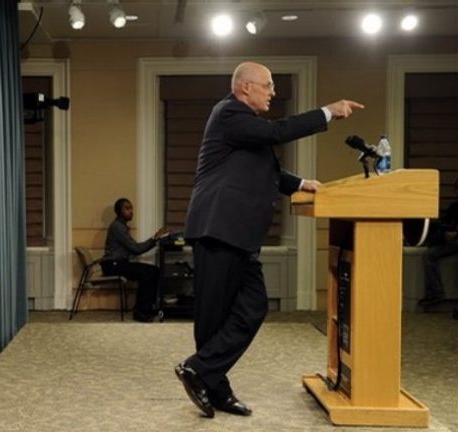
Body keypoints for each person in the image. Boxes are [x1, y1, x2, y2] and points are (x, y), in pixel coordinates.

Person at [174, 61, 364, 418]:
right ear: (245, 87)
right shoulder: (229, 112)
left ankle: (202, 371)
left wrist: (300, 183)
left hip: (237, 234)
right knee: (213, 317)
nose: (273, 93)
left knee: (254, 306)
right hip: (218, 229)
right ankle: (215, 387)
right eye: (268, 86)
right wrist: (328, 112)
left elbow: (267, 169)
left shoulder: (244, 127)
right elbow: (278, 132)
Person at [101, 198, 168, 322]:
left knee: (154, 270)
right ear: (118, 211)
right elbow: (136, 249)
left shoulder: (122, 226)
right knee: (148, 272)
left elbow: (134, 248)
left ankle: (147, 308)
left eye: (131, 208)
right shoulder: (117, 227)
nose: (131, 211)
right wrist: (154, 239)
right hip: (112, 265)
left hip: (119, 264)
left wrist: (154, 238)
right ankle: (140, 312)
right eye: (127, 208)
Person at [419, 178, 458, 306]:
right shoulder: (454, 208)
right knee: (429, 254)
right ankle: (436, 292)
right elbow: (446, 225)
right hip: (451, 242)